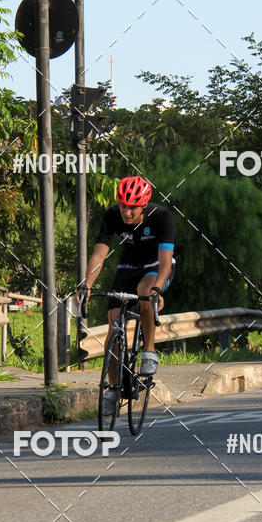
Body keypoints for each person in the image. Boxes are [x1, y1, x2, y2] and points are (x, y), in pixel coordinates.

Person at [77, 176, 175, 413]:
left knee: (144, 294)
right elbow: (99, 256)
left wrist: (157, 289)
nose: (127, 212)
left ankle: (149, 351)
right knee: (113, 322)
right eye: (123, 205)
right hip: (128, 268)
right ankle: (113, 387)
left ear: (144, 205)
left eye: (132, 207)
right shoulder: (112, 216)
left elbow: (165, 263)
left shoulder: (161, 217)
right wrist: (87, 284)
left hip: (156, 266)